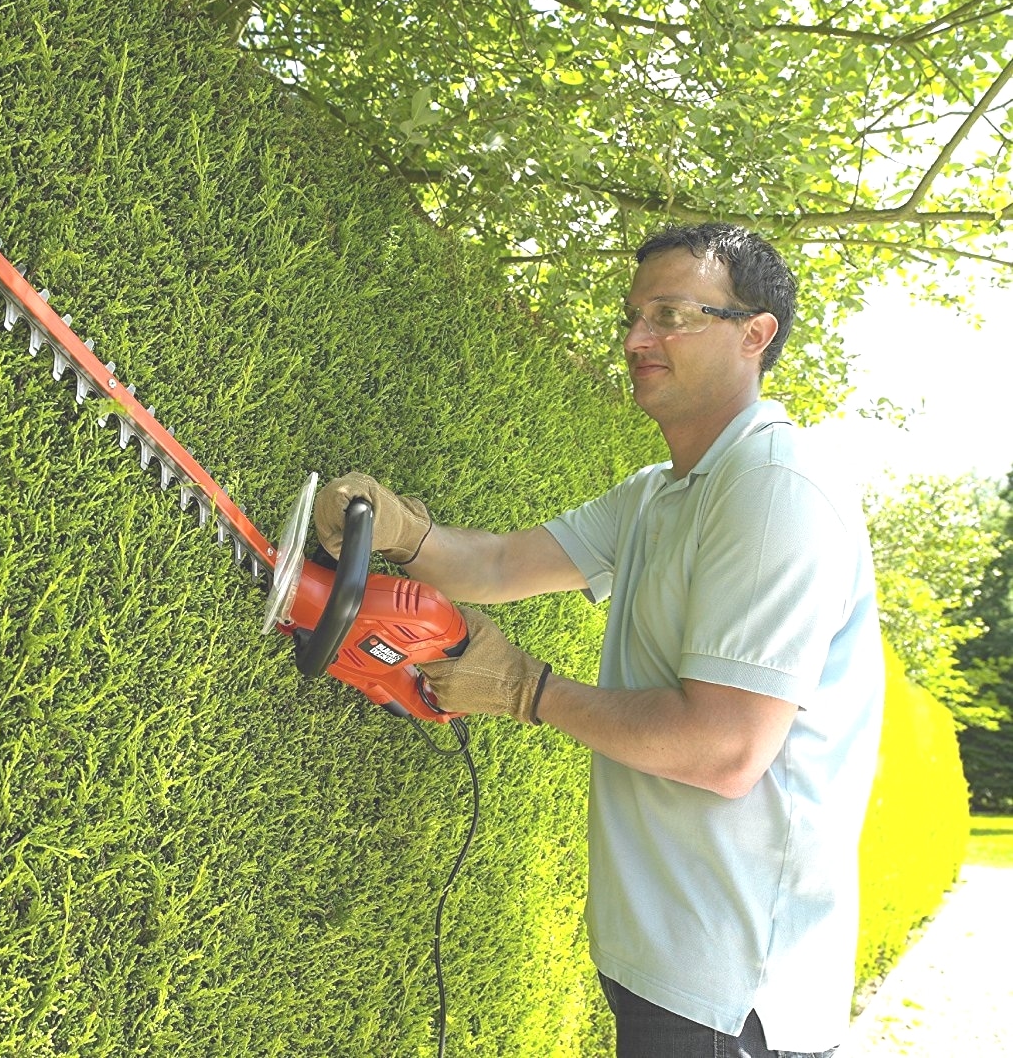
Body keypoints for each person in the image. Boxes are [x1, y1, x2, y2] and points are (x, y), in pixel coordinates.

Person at [313, 223, 884, 1058]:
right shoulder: (663, 493)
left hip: (734, 991)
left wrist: (525, 689)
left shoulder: (773, 490)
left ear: (754, 334)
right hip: (666, 959)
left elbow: (724, 748)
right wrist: (401, 530)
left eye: (672, 315)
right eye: (632, 315)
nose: (636, 339)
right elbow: (505, 561)